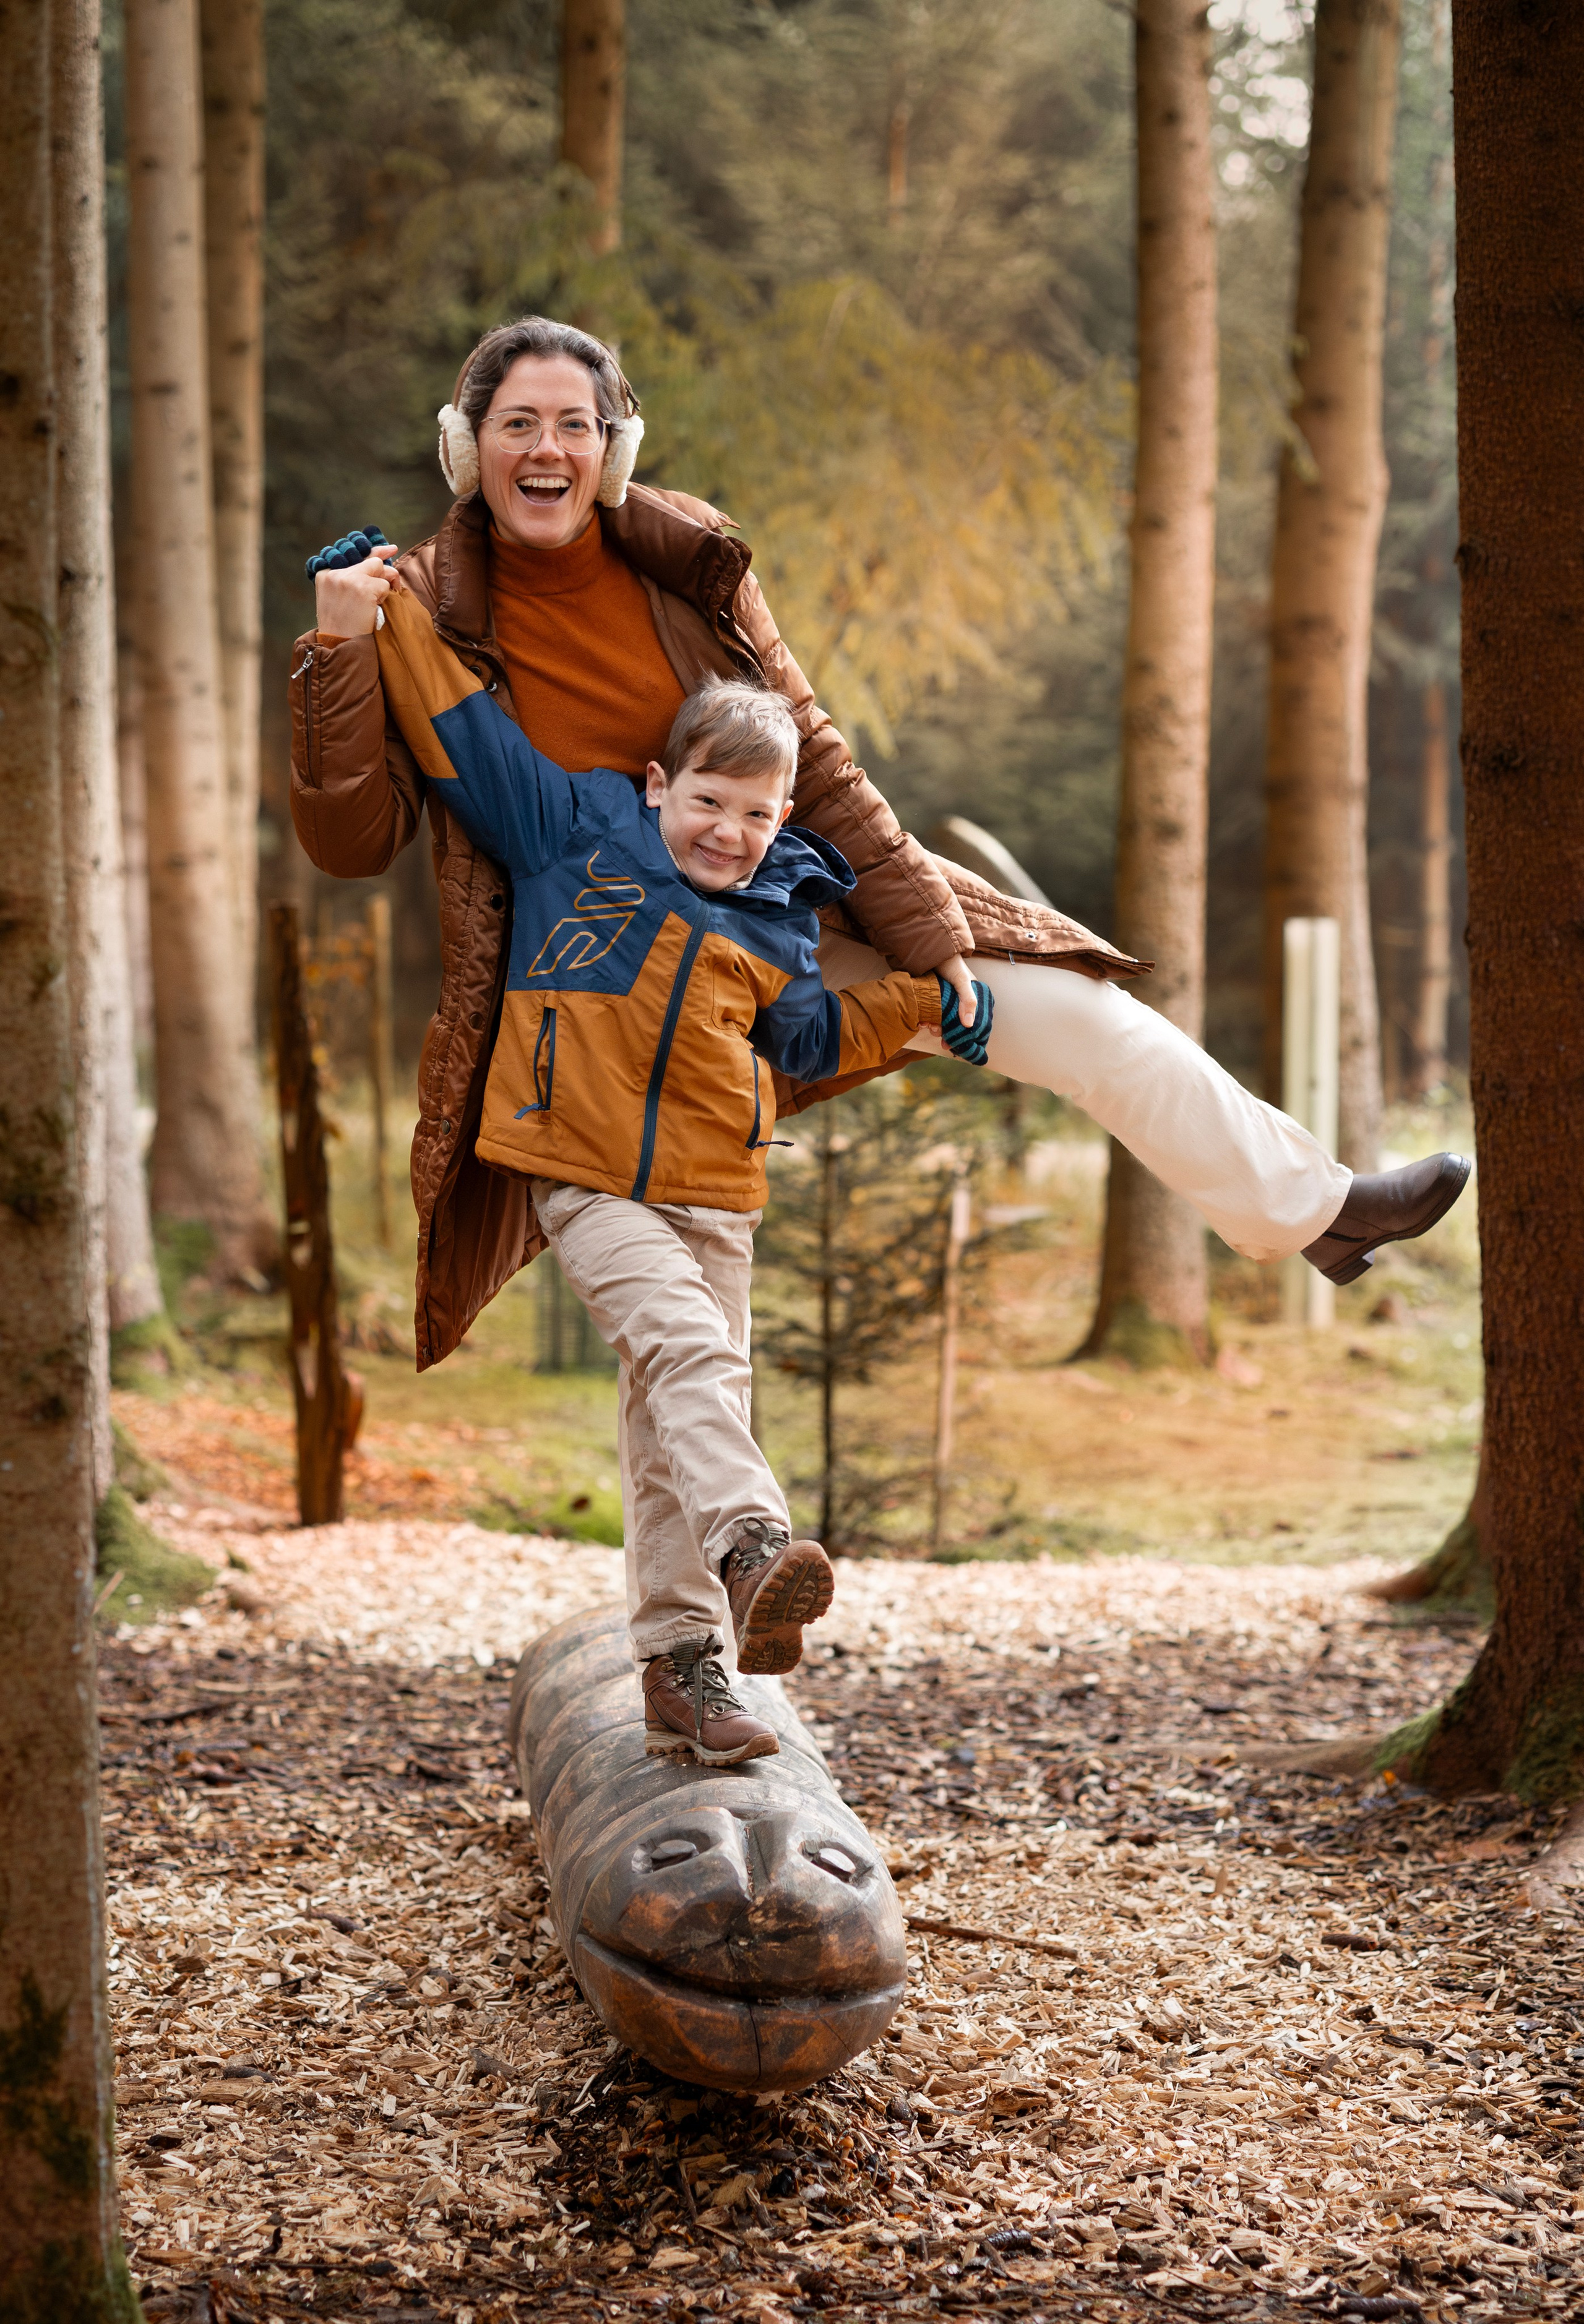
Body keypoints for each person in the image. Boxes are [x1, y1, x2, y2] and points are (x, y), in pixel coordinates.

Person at [290, 310, 1468, 1373]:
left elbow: (814, 750)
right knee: (689, 1313)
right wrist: (339, 655)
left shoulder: (686, 557)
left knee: (1084, 1018)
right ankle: (699, 1609)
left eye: (574, 426)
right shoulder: (417, 610)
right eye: (517, 425)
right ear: (467, 446)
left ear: (614, 451)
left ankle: (1317, 1210)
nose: (546, 450)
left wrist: (924, 931)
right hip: (608, 985)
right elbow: (353, 839)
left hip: (779, 917)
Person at [347, 585, 994, 1761]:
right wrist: (387, 609)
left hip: (721, 1195)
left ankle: (684, 1670)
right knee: (691, 1361)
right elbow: (464, 736)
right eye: (706, 801)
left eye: (755, 814)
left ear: (784, 814)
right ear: (659, 787)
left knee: (668, 1427)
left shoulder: (776, 917)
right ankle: (754, 1545)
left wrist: (923, 1004)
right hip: (585, 1176)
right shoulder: (573, 837)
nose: (728, 832)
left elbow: (802, 1044)